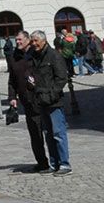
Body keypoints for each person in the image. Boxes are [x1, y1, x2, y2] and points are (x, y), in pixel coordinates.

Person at [27, 30, 72, 175]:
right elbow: (31, 73)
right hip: (41, 100)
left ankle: (64, 164)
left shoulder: (53, 56)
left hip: (54, 101)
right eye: (32, 41)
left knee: (58, 133)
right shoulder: (34, 56)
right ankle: (54, 164)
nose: (34, 44)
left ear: (43, 41)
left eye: (35, 41)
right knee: (48, 134)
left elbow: (61, 78)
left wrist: (51, 95)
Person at [6, 32, 50, 173]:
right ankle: (42, 162)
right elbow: (12, 80)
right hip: (27, 102)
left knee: (49, 132)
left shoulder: (35, 54)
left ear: (27, 40)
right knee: (35, 135)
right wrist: (12, 97)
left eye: (19, 39)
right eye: (16, 40)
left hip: (41, 99)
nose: (17, 42)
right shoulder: (14, 57)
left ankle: (57, 161)